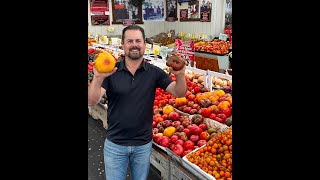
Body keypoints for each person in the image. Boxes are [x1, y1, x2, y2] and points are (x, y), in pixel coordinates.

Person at [88, 25, 187, 180]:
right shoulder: (111, 71)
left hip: (143, 145)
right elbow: (92, 101)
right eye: (130, 41)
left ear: (144, 45)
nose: (134, 44)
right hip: (115, 144)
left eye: (138, 41)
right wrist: (98, 78)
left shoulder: (154, 72)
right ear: (123, 45)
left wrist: (180, 75)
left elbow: (179, 92)